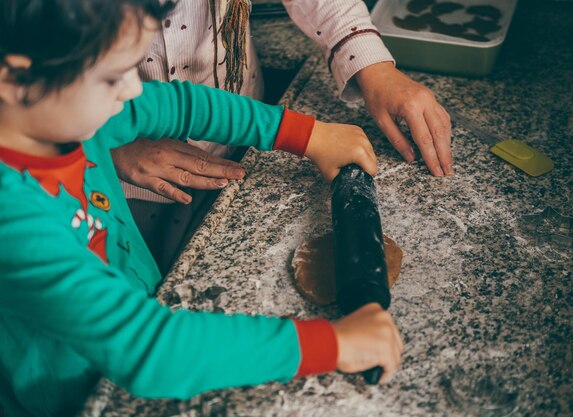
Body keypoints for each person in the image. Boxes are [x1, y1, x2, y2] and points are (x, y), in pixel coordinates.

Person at [0, 1, 404, 416]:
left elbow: (180, 104)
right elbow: (146, 347)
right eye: (109, 77)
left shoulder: (67, 121)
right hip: (72, 398)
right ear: (15, 78)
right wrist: (333, 343)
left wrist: (306, 135)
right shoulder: (14, 219)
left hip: (128, 335)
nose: (133, 88)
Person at [111, 0, 454, 274]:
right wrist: (109, 142)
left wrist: (373, 66)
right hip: (121, 181)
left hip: (243, 135)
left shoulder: (183, 104)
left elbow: (184, 105)